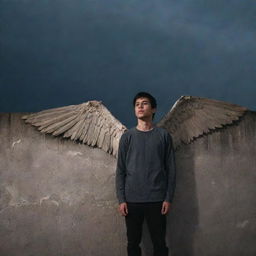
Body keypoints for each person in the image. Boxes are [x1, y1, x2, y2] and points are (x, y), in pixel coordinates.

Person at [115, 92, 176, 256]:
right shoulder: (127, 137)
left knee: (160, 244)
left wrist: (168, 198)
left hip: (157, 200)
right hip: (132, 201)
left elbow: (171, 170)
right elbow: (121, 170)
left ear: (153, 109)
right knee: (133, 244)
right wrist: (121, 200)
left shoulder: (163, 136)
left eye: (145, 103)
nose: (140, 106)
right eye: (137, 104)